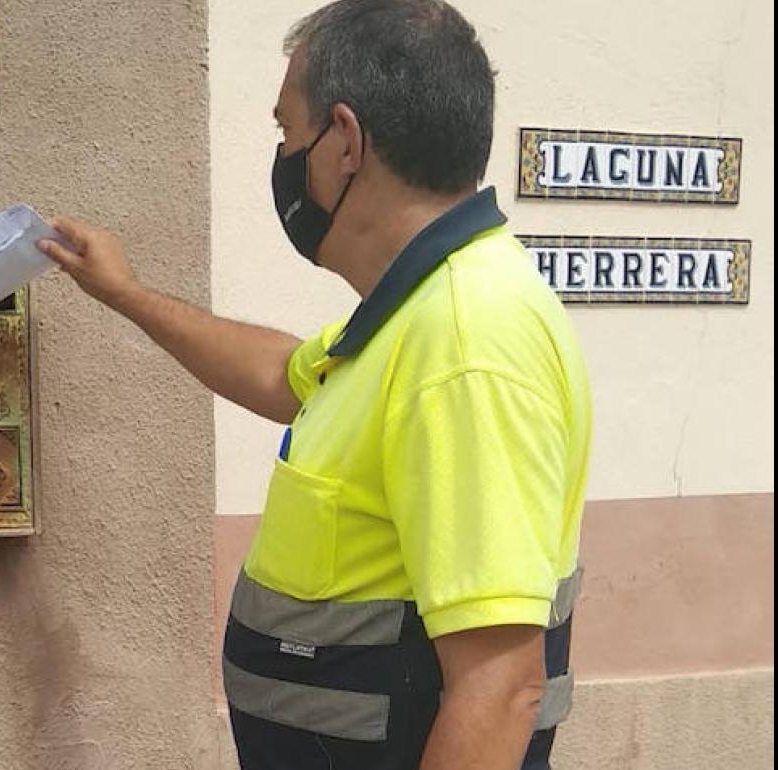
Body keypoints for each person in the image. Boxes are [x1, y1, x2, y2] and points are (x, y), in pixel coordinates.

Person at [37, 1, 591, 768]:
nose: (284, 154)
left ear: (345, 143)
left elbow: (499, 686)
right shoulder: (413, 312)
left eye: (287, 129)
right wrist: (126, 294)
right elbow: (282, 374)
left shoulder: (467, 340)